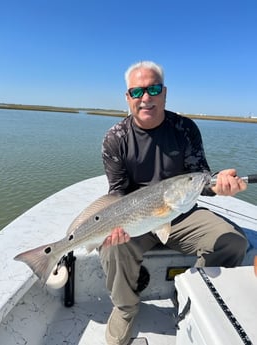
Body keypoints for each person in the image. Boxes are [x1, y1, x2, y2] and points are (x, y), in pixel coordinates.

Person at [99, 60, 248, 345]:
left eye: (153, 89)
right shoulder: (115, 138)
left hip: (181, 214)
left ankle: (194, 293)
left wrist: (221, 186)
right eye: (137, 91)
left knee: (233, 242)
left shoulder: (184, 129)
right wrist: (116, 225)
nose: (146, 97)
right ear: (127, 97)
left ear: (164, 93)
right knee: (112, 246)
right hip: (136, 217)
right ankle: (125, 308)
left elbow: (201, 180)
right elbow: (117, 193)